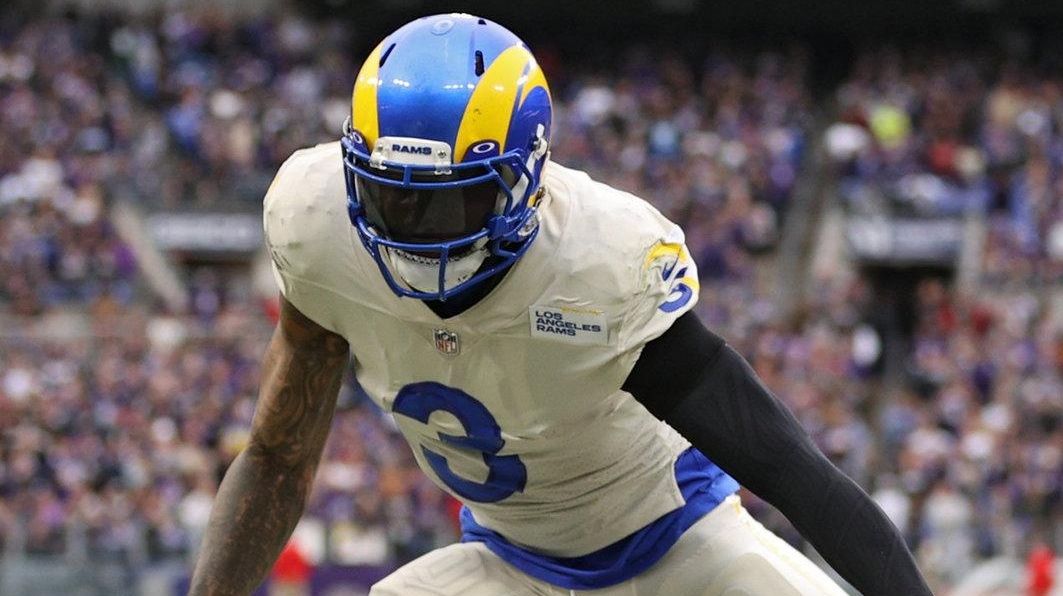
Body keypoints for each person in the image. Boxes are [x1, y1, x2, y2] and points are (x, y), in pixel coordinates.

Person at [189, 14, 931, 595]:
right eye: (392, 199)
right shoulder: (318, 227)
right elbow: (279, 456)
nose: (416, 234)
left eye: (448, 204)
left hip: (682, 547)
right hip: (505, 566)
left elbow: (785, 467)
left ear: (523, 182)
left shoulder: (597, 261)